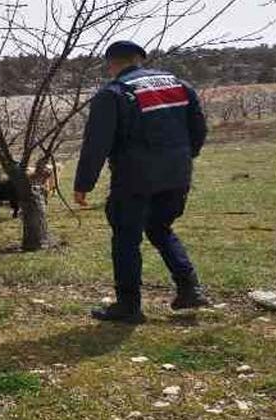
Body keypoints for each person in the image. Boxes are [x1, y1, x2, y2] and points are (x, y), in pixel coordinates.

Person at [74, 40, 209, 324]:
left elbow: (96, 144)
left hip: (134, 179)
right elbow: (198, 128)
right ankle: (189, 287)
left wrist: (84, 184)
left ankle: (128, 306)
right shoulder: (179, 85)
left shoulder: (113, 93)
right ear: (140, 60)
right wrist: (184, 158)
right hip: (177, 175)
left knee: (126, 239)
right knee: (160, 227)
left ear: (111, 64)